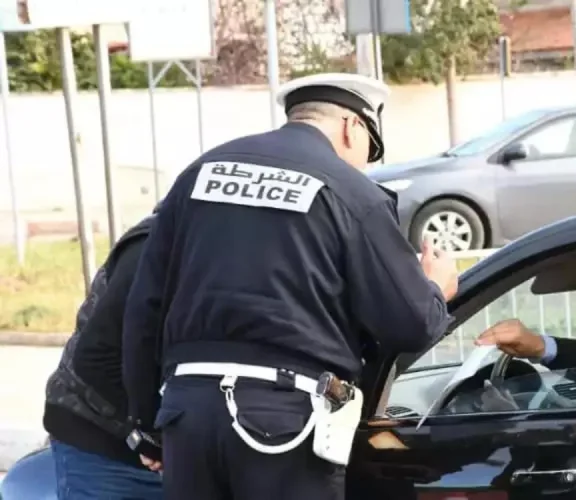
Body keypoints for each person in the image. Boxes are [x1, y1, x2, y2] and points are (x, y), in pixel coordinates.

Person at [121, 72, 459, 500]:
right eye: (367, 153)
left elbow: (144, 308)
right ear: (352, 127)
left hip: (189, 416)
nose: (363, 165)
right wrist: (435, 287)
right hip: (283, 423)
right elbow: (410, 323)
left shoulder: (200, 173)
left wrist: (147, 422)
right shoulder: (352, 192)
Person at [42, 211, 162, 500]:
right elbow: (96, 359)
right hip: (100, 446)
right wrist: (153, 438)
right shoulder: (153, 246)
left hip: (172, 450)